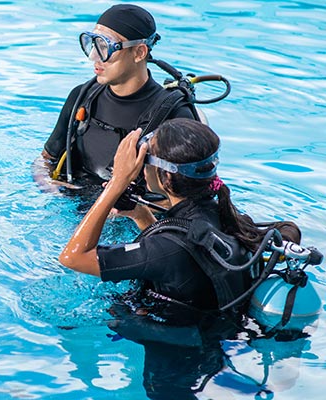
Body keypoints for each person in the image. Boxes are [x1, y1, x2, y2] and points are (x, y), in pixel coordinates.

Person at [59, 118, 301, 324]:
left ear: (166, 177)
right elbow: (181, 261)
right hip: (218, 338)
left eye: (146, 162)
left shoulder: (167, 249)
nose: (142, 170)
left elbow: (73, 257)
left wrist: (116, 184)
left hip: (181, 363)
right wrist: (141, 215)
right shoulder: (222, 215)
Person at [39, 4, 199, 188]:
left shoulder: (175, 117)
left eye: (104, 46)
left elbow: (189, 199)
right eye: (92, 44)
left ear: (139, 52)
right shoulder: (82, 97)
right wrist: (50, 188)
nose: (93, 56)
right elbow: (45, 161)